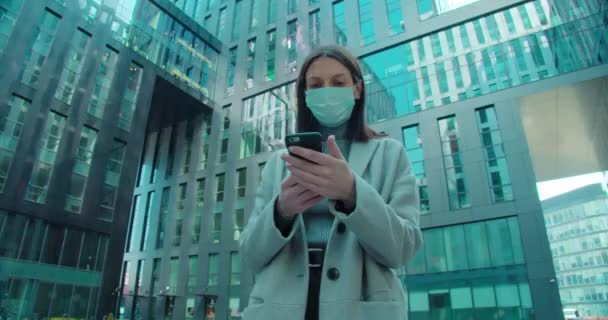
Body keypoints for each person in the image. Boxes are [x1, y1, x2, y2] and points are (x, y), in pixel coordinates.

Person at [239, 45, 423, 320]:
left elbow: (403, 249)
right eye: (316, 84)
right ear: (305, 94)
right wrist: (281, 212)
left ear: (357, 89)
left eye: (338, 82)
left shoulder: (390, 154)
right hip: (278, 307)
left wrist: (352, 193)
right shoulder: (280, 163)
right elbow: (250, 256)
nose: (327, 90)